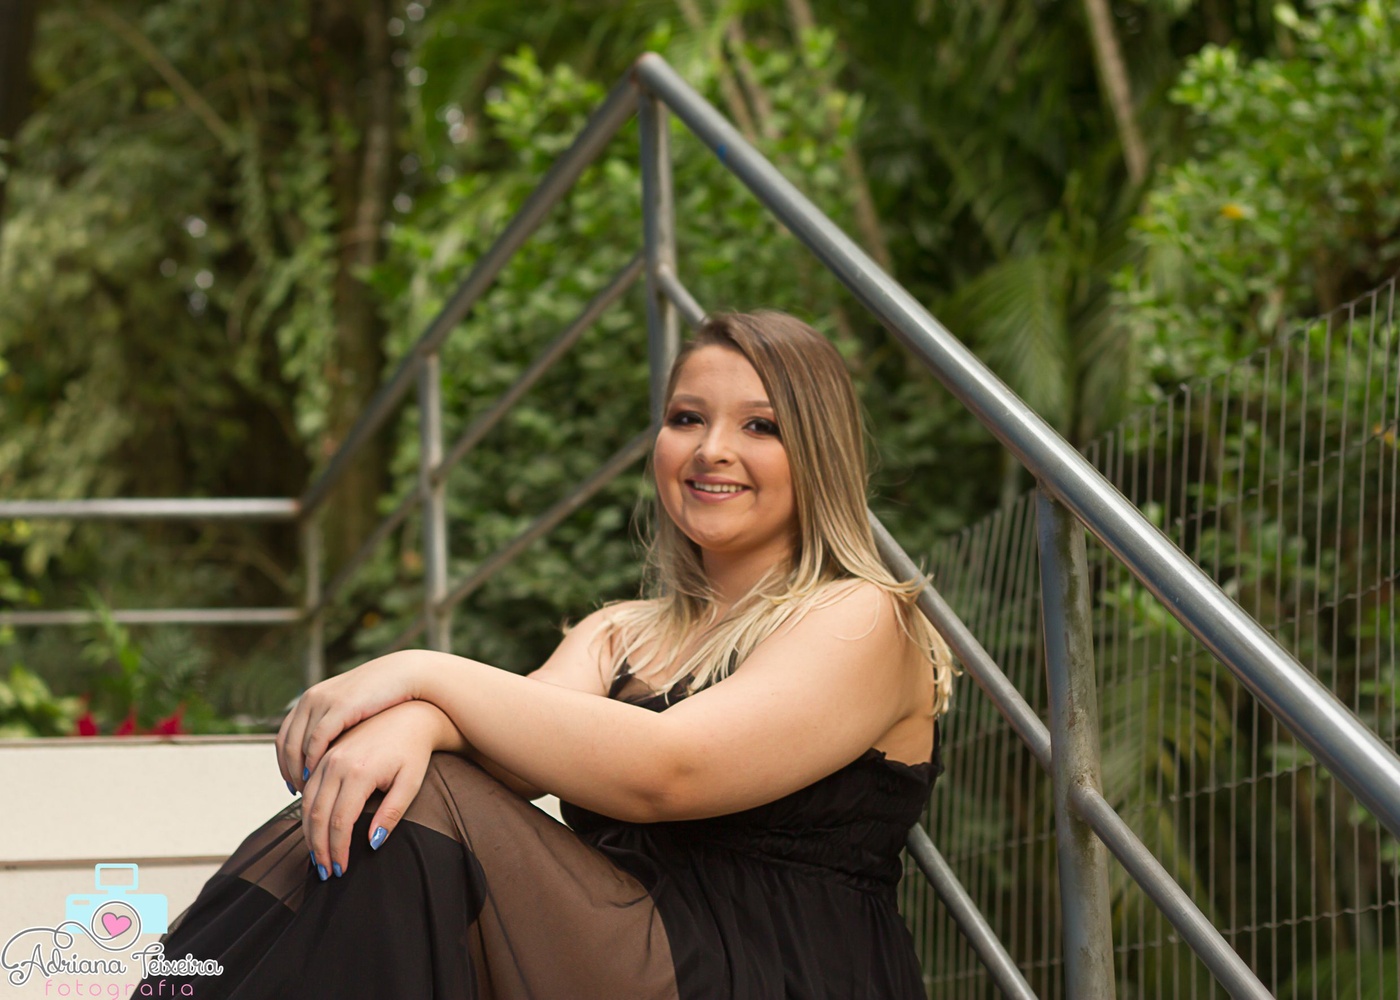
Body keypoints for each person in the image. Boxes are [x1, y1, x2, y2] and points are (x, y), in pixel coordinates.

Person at [137, 311, 955, 999]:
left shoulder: (863, 617)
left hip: (774, 969)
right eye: (686, 418)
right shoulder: (620, 633)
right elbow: (507, 754)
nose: (711, 449)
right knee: (397, 802)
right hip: (608, 953)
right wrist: (421, 721)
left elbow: (670, 770)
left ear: (819, 452)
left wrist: (422, 673)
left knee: (416, 805)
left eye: (760, 426)